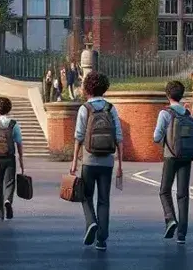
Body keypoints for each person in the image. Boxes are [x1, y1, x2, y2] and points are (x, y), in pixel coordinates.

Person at [71, 71, 123, 252]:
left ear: (87, 88)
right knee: (104, 200)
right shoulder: (111, 108)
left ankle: (91, 222)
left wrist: (74, 162)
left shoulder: (85, 109)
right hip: (107, 162)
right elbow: (118, 137)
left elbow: (78, 136)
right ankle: (101, 240)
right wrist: (120, 165)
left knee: (85, 195)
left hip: (89, 159)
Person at [153, 80, 193, 244]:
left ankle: (170, 218)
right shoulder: (188, 114)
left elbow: (156, 137)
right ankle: (182, 234)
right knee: (183, 194)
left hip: (170, 156)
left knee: (164, 191)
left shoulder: (165, 113)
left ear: (167, 95)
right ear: (181, 95)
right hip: (186, 157)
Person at [0, 96, 25, 221]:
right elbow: (19, 143)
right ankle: (8, 200)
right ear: (9, 108)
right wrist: (21, 161)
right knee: (10, 182)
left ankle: (0, 214)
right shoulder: (14, 124)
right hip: (9, 157)